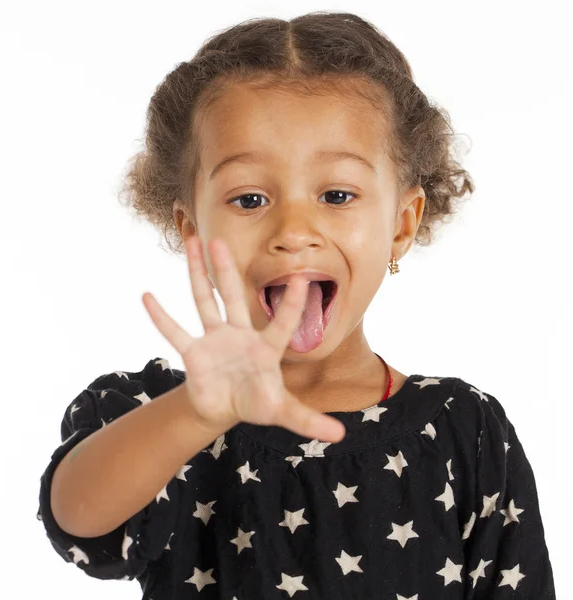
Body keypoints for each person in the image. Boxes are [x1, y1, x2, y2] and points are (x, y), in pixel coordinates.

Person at [36, 10, 556, 599]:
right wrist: (195, 414)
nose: (294, 229)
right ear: (192, 232)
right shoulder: (152, 414)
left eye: (337, 194)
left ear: (401, 225)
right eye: (250, 197)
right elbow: (77, 522)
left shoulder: (466, 430)